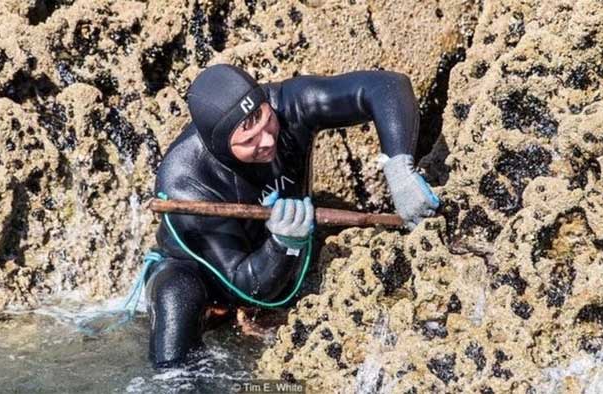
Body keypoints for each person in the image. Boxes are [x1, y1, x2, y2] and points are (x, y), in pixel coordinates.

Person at [146, 64, 440, 367]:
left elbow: (387, 86)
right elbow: (246, 289)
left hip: (288, 253)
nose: (268, 141)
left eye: (265, 120)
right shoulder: (184, 179)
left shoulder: (287, 103)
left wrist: (398, 166)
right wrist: (283, 242)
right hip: (213, 276)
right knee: (175, 293)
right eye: (249, 141)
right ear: (220, 146)